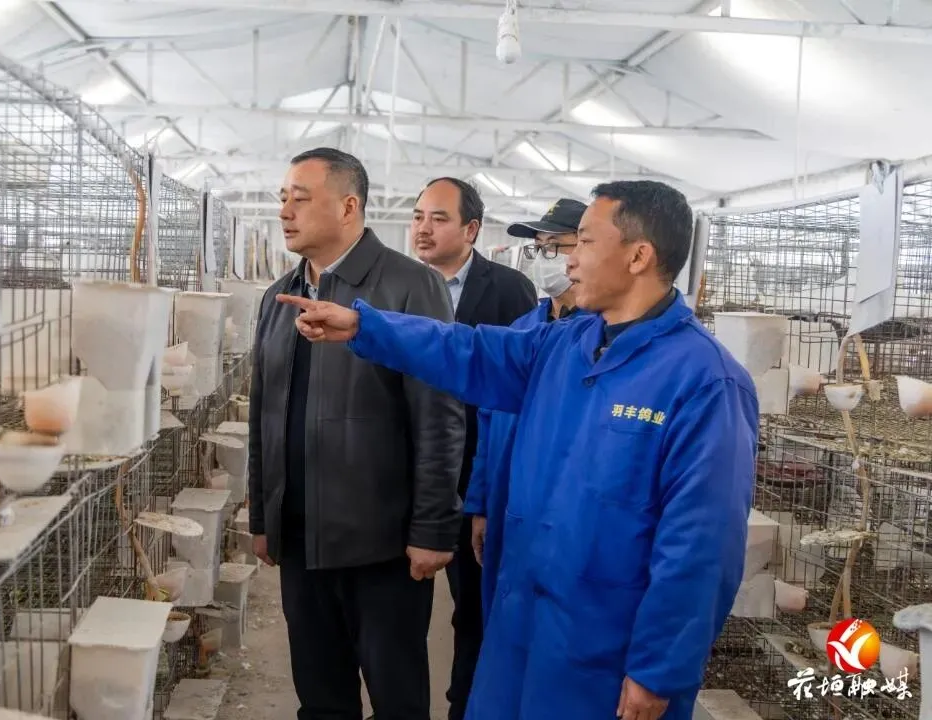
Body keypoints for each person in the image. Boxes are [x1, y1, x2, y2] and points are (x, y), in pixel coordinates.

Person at [275, 180, 758, 720]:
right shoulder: (565, 343)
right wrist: (366, 326)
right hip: (520, 622)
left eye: (585, 242)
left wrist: (658, 668)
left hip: (604, 649)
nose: (570, 259)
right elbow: (467, 349)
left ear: (639, 256)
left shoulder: (704, 382)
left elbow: (702, 544)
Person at [247, 147, 466, 720]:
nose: (285, 211)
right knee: (321, 698)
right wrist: (263, 518)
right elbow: (263, 415)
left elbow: (439, 415)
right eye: (282, 199)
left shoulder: (410, 286)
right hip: (301, 538)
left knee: (396, 698)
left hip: (382, 545)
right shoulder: (278, 297)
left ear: (349, 207)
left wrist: (433, 528)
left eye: (300, 199)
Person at [411, 176, 537, 720]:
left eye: (438, 218)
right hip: (412, 479)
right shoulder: (400, 287)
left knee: (474, 611)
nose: (423, 228)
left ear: (471, 229)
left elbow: (512, 392)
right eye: (418, 216)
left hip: (474, 479)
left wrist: (488, 491)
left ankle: (464, 706)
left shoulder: (508, 290)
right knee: (402, 610)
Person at [465, 199, 587, 628]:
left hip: (559, 512)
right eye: (538, 247)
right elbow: (488, 420)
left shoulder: (599, 339)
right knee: (500, 619)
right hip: (505, 500)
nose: (543, 258)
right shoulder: (522, 330)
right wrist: (481, 505)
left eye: (554, 246)